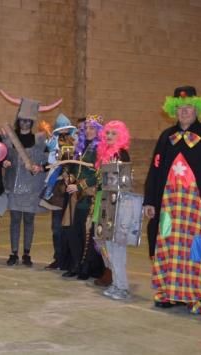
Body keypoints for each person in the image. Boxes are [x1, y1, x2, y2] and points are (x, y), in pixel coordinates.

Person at [143, 86, 201, 314]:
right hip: (170, 210)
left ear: (197, 109)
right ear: (173, 110)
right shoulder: (166, 137)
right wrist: (150, 201)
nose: (184, 112)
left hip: (198, 211)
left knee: (197, 251)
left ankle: (199, 296)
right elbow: (155, 171)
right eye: (180, 108)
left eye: (189, 107)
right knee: (169, 249)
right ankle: (171, 292)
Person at [0, 96, 51, 267]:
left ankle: (26, 253)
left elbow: (51, 161)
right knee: (14, 221)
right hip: (13, 187)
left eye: (28, 120)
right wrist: (3, 162)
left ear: (32, 122)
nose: (25, 123)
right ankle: (13, 253)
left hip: (32, 189)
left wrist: (41, 168)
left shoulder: (40, 141)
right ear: (18, 120)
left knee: (28, 221)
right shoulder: (8, 139)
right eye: (22, 120)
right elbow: (0, 156)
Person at [93, 120, 133, 300]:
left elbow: (124, 183)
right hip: (104, 202)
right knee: (106, 244)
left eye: (113, 133)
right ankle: (116, 283)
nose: (108, 136)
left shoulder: (121, 154)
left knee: (117, 247)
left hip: (117, 204)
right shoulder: (104, 155)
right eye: (107, 133)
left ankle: (122, 286)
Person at [61, 115, 103, 280]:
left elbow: (99, 174)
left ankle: (86, 266)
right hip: (75, 196)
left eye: (93, 128)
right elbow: (73, 168)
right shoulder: (81, 147)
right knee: (73, 231)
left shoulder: (100, 149)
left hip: (89, 197)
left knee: (86, 233)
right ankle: (76, 264)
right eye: (87, 128)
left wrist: (79, 186)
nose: (89, 131)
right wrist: (68, 177)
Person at [42, 114, 78, 271]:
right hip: (57, 188)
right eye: (61, 129)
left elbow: (73, 164)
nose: (64, 131)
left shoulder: (76, 142)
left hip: (73, 187)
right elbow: (50, 161)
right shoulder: (54, 142)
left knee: (71, 228)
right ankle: (58, 259)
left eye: (66, 128)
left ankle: (71, 261)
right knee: (57, 228)